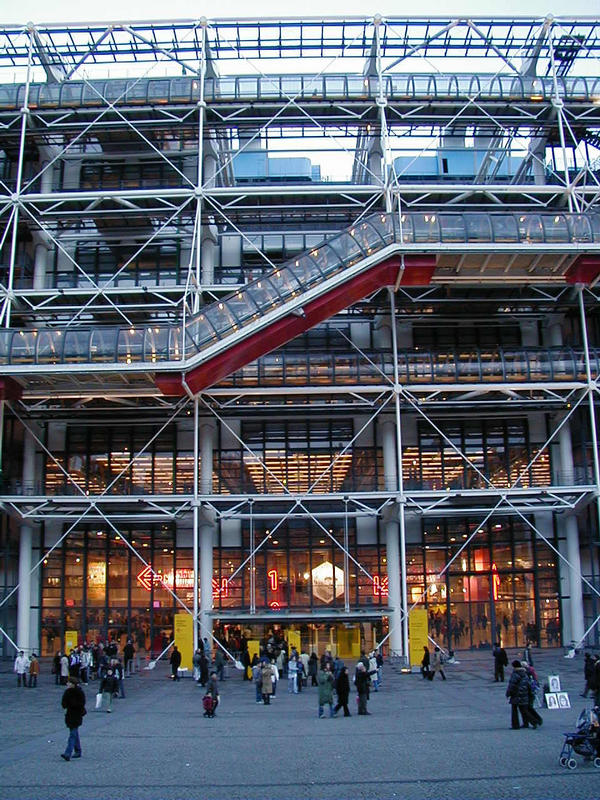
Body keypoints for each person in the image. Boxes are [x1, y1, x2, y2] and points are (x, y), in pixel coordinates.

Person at [506, 660, 538, 729]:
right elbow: (528, 684)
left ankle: (515, 725)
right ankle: (531, 722)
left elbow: (512, 685)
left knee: (514, 711)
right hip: (524, 694)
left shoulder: (515, 674)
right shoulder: (524, 673)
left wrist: (508, 693)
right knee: (524, 710)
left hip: (516, 694)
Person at [60, 676, 86, 761]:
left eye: (69, 683)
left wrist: (71, 705)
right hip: (69, 715)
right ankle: (78, 750)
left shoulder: (79, 692)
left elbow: (81, 703)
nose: (67, 684)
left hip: (76, 715)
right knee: (74, 733)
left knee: (72, 734)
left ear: (73, 684)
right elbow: (63, 703)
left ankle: (68, 753)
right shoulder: (67, 692)